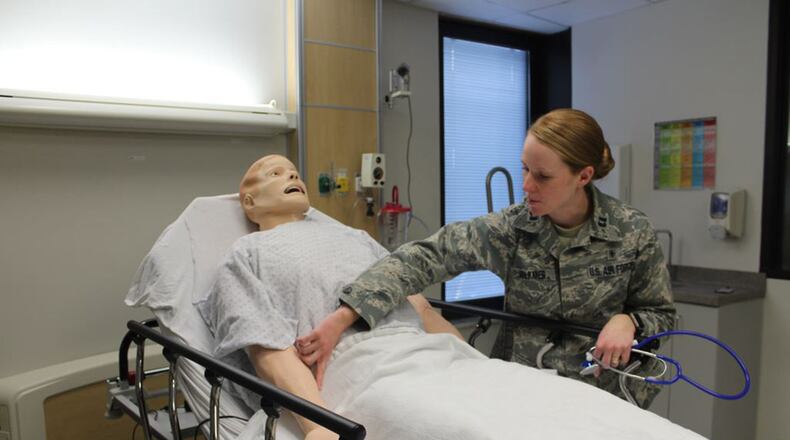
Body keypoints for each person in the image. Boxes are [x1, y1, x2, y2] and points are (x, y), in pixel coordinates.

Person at [296, 108, 677, 408]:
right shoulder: (511, 230)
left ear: (584, 176)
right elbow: (424, 257)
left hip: (603, 395)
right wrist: (345, 315)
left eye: (542, 176)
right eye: (525, 169)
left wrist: (628, 321)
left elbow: (661, 314)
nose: (527, 186)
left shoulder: (631, 231)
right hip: (521, 392)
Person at [199, 154, 462, 440]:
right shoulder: (246, 255)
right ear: (249, 202)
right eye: (275, 173)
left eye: (294, 173)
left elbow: (421, 308)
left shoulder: (356, 237)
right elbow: (267, 346)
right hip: (355, 366)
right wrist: (318, 426)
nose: (292, 177)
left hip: (426, 351)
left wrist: (465, 358)